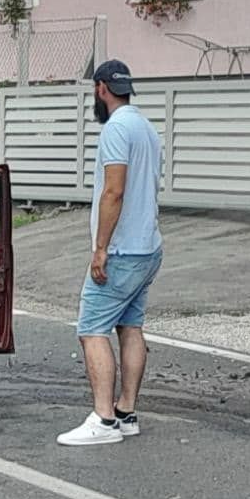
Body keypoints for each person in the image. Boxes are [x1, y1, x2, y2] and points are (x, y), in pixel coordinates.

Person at [56, 60, 164, 447]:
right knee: (130, 326)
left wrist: (100, 248)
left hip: (122, 251)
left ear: (101, 88)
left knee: (91, 329)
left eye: (94, 91)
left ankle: (103, 420)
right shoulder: (147, 128)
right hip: (148, 247)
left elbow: (113, 191)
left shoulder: (116, 129)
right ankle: (126, 412)